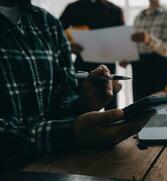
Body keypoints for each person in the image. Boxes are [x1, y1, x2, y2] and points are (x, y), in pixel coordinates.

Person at [0, 0, 154, 160]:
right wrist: (71, 133)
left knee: (110, 110)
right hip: (11, 172)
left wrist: (82, 105)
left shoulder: (48, 24)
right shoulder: (72, 9)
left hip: (58, 162)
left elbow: (61, 101)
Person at [59, 0, 125, 109]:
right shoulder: (73, 8)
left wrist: (124, 55)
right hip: (82, 64)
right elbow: (57, 33)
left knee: (111, 103)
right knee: (80, 103)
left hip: (109, 65)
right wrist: (69, 45)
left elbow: (122, 38)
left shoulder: (116, 10)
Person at [121, 0, 167, 101]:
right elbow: (136, 45)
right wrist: (128, 59)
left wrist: (149, 39)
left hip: (159, 67)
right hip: (139, 67)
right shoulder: (138, 17)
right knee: (139, 107)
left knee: (161, 108)